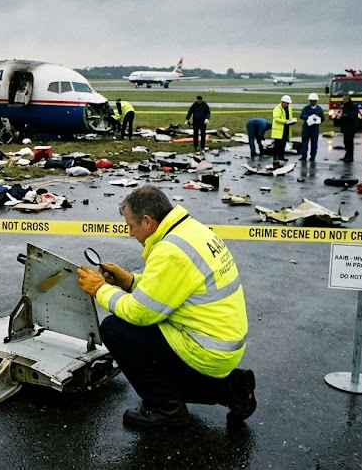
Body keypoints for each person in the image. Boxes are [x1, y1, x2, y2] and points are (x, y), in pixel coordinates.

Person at [76, 186, 254, 429]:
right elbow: (168, 289)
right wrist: (128, 281)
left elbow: (140, 312)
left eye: (131, 226)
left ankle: (166, 407)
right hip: (222, 342)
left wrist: (100, 289)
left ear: (147, 221)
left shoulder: (171, 251)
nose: (130, 233)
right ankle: (232, 389)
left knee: (115, 329)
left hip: (207, 348)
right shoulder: (189, 231)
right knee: (153, 345)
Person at [298, 93, 325, 162]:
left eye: (314, 101)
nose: (312, 102)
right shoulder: (306, 108)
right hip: (306, 128)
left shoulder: (319, 109)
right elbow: (301, 115)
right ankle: (304, 156)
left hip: (315, 129)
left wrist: (317, 120)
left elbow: (323, 118)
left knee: (314, 143)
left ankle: (312, 157)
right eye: (311, 101)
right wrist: (308, 118)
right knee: (304, 142)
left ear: (316, 101)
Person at [271, 95, 295, 161]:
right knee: (277, 145)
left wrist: (292, 121)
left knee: (283, 144)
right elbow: (276, 119)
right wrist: (285, 121)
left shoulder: (289, 108)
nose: (287, 105)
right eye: (286, 103)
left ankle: (281, 157)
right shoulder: (277, 109)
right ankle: (275, 157)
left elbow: (290, 116)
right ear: (282, 102)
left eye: (288, 103)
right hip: (278, 131)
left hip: (286, 129)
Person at [338, 94, 360, 163]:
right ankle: (346, 155)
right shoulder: (344, 106)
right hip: (346, 127)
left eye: (344, 99)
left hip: (351, 127)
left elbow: (351, 116)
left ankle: (350, 157)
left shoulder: (352, 106)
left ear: (348, 99)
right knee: (346, 142)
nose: (343, 100)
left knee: (349, 142)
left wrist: (342, 116)